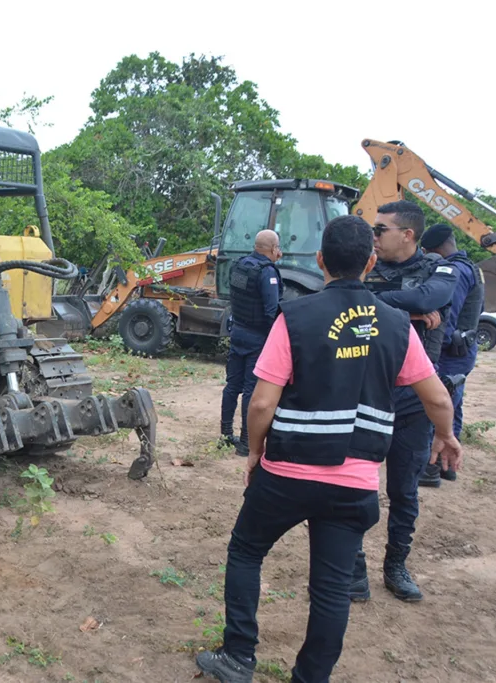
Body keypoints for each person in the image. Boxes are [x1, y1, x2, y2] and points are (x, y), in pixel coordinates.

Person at [195, 215, 462, 683]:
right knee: (332, 590)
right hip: (353, 486)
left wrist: (256, 452)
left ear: (320, 261)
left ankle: (238, 658)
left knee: (245, 552)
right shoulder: (397, 325)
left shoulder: (296, 317)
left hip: (286, 475)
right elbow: (437, 397)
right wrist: (447, 435)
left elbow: (260, 402)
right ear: (370, 261)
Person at [353, 200, 458, 603]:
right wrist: (408, 310)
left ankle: (396, 564)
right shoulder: (366, 267)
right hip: (368, 392)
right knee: (355, 485)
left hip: (415, 398)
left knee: (404, 490)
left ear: (407, 234)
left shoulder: (438, 269)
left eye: (380, 230)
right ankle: (354, 566)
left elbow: (433, 295)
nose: (373, 236)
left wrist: (386, 304)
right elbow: (348, 298)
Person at [418, 223, 484, 486]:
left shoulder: (453, 273)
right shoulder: (473, 269)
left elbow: (447, 319)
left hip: (450, 353)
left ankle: (431, 468)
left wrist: (431, 346)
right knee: (453, 405)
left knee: (438, 407)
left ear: (434, 250)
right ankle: (448, 468)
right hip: (465, 351)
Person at [221, 230, 284, 456]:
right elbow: (271, 311)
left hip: (237, 331)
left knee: (232, 385)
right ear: (273, 249)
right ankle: (246, 442)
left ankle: (225, 434)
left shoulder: (239, 266)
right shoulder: (267, 273)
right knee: (250, 389)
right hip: (257, 338)